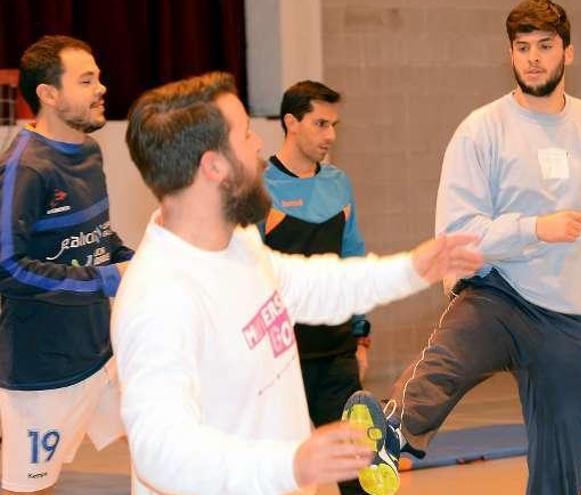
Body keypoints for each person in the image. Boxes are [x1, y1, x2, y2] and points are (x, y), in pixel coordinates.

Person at [112, 72, 482, 495]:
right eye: (247, 134)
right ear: (213, 166)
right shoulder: (159, 298)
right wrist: (290, 464)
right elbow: (159, 451)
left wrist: (412, 268)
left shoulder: (236, 240)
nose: (257, 147)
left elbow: (308, 285)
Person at [382, 1, 581, 494]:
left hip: (571, 319)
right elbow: (457, 231)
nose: (533, 58)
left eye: (545, 46)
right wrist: (534, 228)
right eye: (523, 48)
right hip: (499, 295)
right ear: (510, 55)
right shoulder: (482, 130)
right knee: (443, 363)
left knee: (562, 475)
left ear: (569, 53)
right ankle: (385, 436)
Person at [0, 35, 132, 494]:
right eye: (87, 80)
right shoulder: (25, 168)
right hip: (42, 373)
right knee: (28, 489)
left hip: (101, 353)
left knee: (161, 448)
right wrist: (104, 280)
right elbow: (7, 268)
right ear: (49, 94)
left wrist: (134, 262)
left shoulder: (90, 151)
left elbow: (98, 236)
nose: (102, 88)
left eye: (98, 77)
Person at [262, 80, 371, 495]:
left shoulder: (339, 183)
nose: (331, 136)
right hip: (278, 360)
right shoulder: (259, 186)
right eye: (320, 123)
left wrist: (361, 336)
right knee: (278, 479)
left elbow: (353, 259)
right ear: (291, 122)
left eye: (334, 124)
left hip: (336, 353)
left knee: (361, 470)